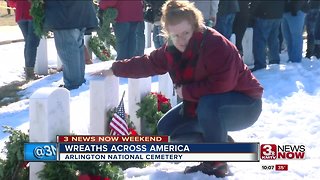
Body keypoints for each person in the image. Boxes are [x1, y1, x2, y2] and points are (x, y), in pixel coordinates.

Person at [93, 1, 263, 177]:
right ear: (167, 33)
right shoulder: (171, 50)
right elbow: (148, 63)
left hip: (244, 105)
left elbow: (222, 85)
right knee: (167, 130)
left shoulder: (216, 44)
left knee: (208, 104)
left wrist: (186, 93)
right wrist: (114, 69)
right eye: (175, 35)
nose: (181, 40)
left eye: (186, 33)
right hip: (206, 105)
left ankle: (216, 163)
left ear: (196, 27)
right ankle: (224, 145)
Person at [43, 0, 98, 90]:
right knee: (77, 50)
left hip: (65, 16)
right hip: (79, 15)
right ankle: (78, 81)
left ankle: (73, 84)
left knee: (68, 52)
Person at [8, 0, 40, 80]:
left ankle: (29, 70)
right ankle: (29, 71)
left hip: (20, 15)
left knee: (29, 43)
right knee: (32, 43)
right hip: (33, 14)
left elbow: (11, 3)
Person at [250, 1, 285, 72]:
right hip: (277, 13)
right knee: (273, 39)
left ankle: (260, 64)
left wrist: (250, 12)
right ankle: (274, 60)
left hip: (263, 13)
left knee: (260, 41)